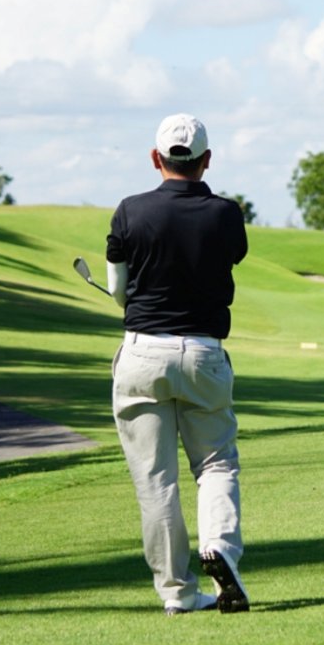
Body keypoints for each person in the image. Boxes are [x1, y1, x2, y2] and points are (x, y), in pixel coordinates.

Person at [106, 113, 249, 616]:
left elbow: (119, 292)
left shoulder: (129, 211)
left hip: (142, 353)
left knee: (156, 480)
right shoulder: (226, 214)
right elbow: (224, 261)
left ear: (156, 158)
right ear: (206, 160)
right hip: (204, 354)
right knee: (215, 463)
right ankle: (220, 547)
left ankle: (178, 593)